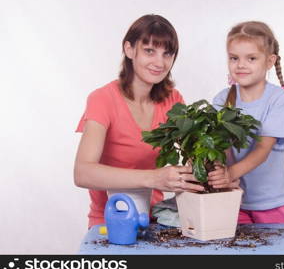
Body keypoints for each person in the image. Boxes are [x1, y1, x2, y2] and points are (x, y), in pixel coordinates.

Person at [74, 14, 204, 229]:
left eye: (167, 53)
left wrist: (219, 172)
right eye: (149, 51)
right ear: (129, 49)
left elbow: (196, 154)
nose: (159, 63)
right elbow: (82, 173)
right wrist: (154, 178)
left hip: (157, 221)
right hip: (111, 221)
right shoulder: (102, 99)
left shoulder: (173, 99)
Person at [208, 21, 284, 224]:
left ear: (269, 61)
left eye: (251, 58)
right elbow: (219, 145)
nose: (240, 65)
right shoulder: (222, 100)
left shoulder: (277, 99)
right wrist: (220, 173)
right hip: (233, 197)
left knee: (273, 250)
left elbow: (262, 148)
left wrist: (229, 173)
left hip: (270, 201)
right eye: (234, 58)